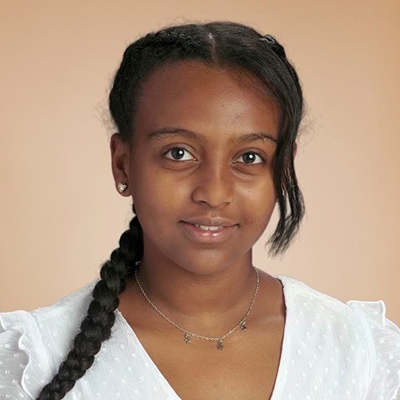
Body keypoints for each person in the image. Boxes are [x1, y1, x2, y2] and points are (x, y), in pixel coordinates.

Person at [0, 20, 399, 400]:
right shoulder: (33, 358)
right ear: (123, 163)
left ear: (282, 170)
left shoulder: (358, 351)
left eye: (249, 157)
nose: (214, 192)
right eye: (179, 153)